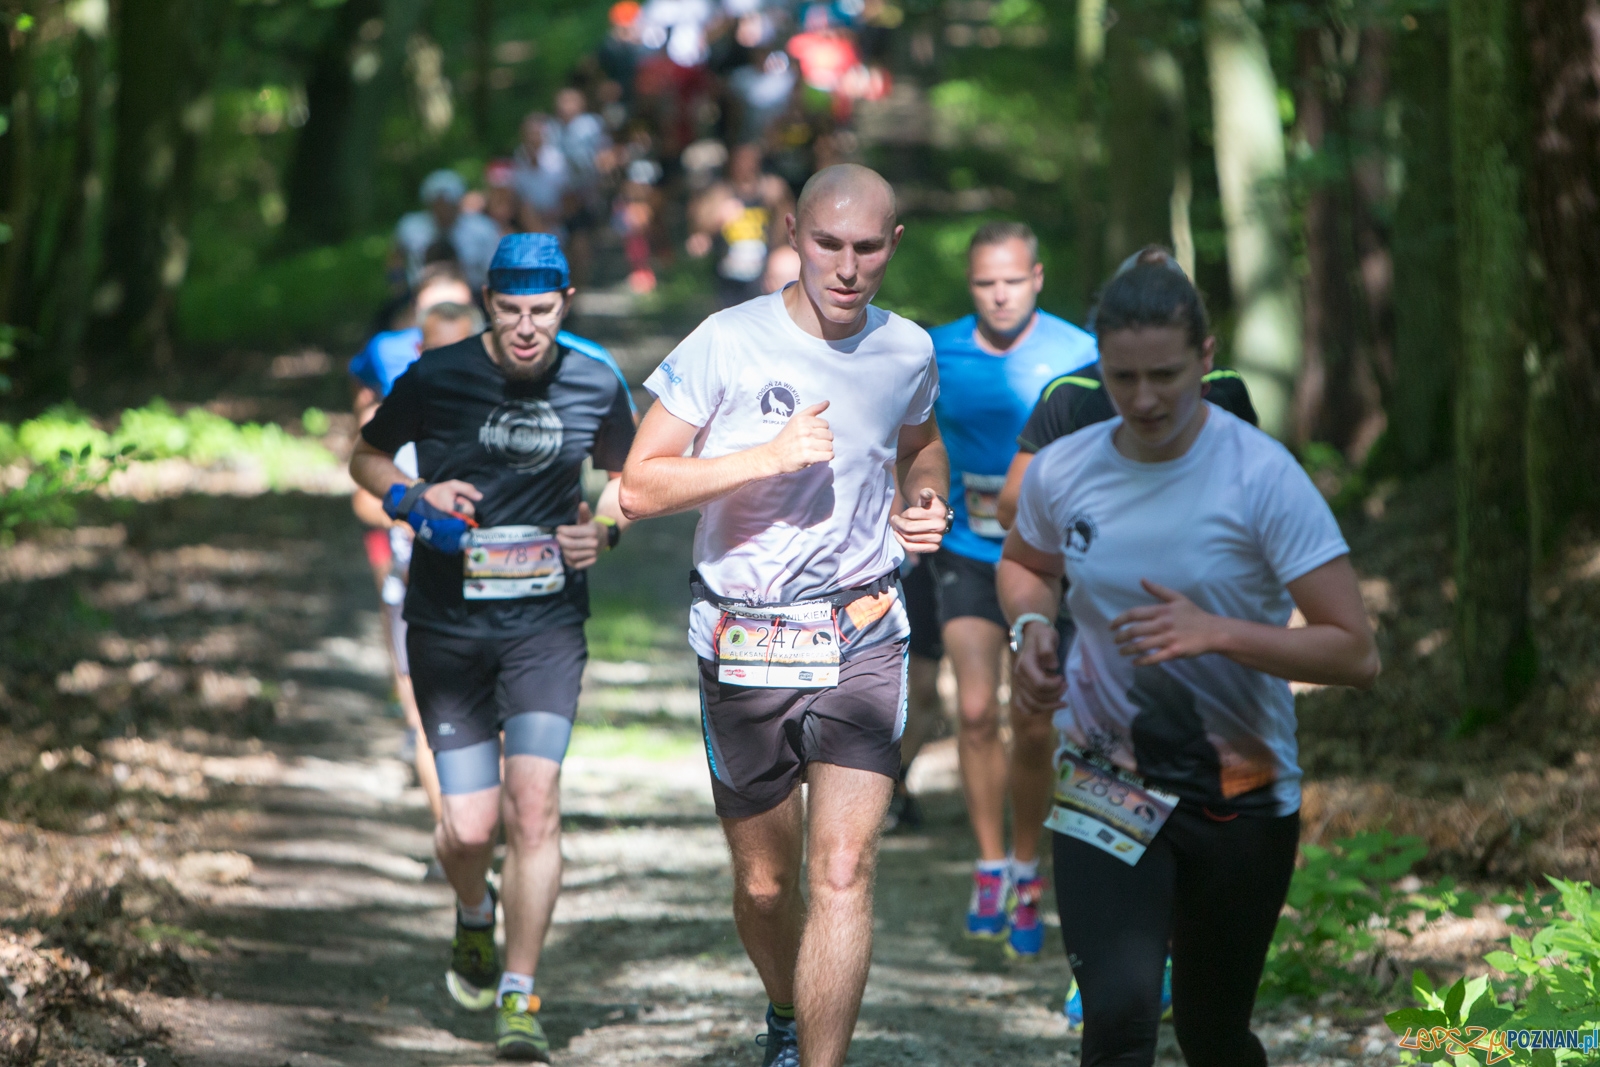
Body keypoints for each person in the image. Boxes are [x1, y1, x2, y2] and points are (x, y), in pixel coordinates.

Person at [998, 246, 1379, 1067]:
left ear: (1207, 358)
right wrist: (1030, 631)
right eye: (1122, 376)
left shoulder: (1263, 478)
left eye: (1165, 375)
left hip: (1238, 795)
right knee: (1119, 1019)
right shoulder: (1065, 468)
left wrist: (1219, 632)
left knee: (1211, 1033)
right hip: (1106, 781)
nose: (1143, 398)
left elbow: (1354, 650)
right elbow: (1027, 563)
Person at [619, 163, 950, 1067]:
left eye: (868, 248)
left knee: (841, 871)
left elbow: (922, 444)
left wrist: (925, 496)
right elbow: (638, 486)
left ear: (894, 245)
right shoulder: (726, 341)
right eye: (828, 244)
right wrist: (763, 458)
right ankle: (783, 1007)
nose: (847, 268)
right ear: (794, 235)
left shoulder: (908, 349)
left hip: (864, 630)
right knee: (768, 886)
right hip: (744, 633)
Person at [349, 233, 638, 1062]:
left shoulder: (593, 376)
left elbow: (627, 477)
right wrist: (413, 494)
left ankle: (521, 992)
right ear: (486, 301)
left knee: (534, 803)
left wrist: (605, 527)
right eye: (508, 309)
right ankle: (474, 910)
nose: (524, 328)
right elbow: (364, 458)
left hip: (546, 628)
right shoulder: (436, 376)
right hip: (446, 628)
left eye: (541, 311)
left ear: (567, 302)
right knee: (470, 828)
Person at [924, 221, 1097, 957]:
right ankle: (990, 863)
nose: (998, 296)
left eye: (1012, 281)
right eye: (984, 284)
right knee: (971, 708)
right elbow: (914, 437)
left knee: (1033, 720)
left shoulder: (1077, 354)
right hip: (966, 548)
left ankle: (1030, 864)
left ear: (1038, 277)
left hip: (1047, 563)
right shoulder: (937, 350)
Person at [349, 266, 481, 852]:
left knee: (482, 719)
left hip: (494, 593)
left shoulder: (511, 411)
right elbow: (364, 489)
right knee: (427, 719)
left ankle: (477, 832)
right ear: (416, 340)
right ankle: (458, 839)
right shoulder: (393, 413)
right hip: (413, 585)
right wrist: (417, 512)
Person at [687, 143, 794, 309]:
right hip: (729, 275)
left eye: (750, 160)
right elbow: (698, 226)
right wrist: (718, 219)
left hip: (762, 273)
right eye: (741, 160)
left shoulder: (772, 190)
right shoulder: (720, 193)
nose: (746, 166)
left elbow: (789, 223)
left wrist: (779, 251)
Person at [395, 170, 503, 289]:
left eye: (448, 204)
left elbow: (494, 269)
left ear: (458, 204)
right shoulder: (410, 227)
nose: (443, 211)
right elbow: (396, 258)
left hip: (472, 291)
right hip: (419, 292)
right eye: (437, 204)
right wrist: (398, 287)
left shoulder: (482, 229)